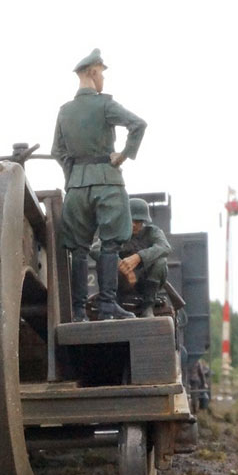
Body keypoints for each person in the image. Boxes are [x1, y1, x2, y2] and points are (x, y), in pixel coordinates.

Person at [51, 48, 146, 321]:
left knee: (78, 249)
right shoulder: (105, 104)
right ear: (92, 72)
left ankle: (78, 311)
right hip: (107, 183)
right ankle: (107, 306)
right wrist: (124, 154)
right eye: (102, 73)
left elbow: (58, 151)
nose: (103, 78)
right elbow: (138, 125)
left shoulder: (64, 111)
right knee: (110, 244)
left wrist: (75, 176)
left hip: (77, 188)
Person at [118, 197, 172, 317]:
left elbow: (165, 247)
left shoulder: (152, 232)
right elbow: (96, 249)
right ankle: (116, 305)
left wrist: (139, 257)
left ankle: (148, 306)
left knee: (161, 262)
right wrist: (121, 265)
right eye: (131, 220)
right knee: (107, 262)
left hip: (146, 281)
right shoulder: (116, 233)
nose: (134, 224)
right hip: (123, 281)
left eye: (138, 221)